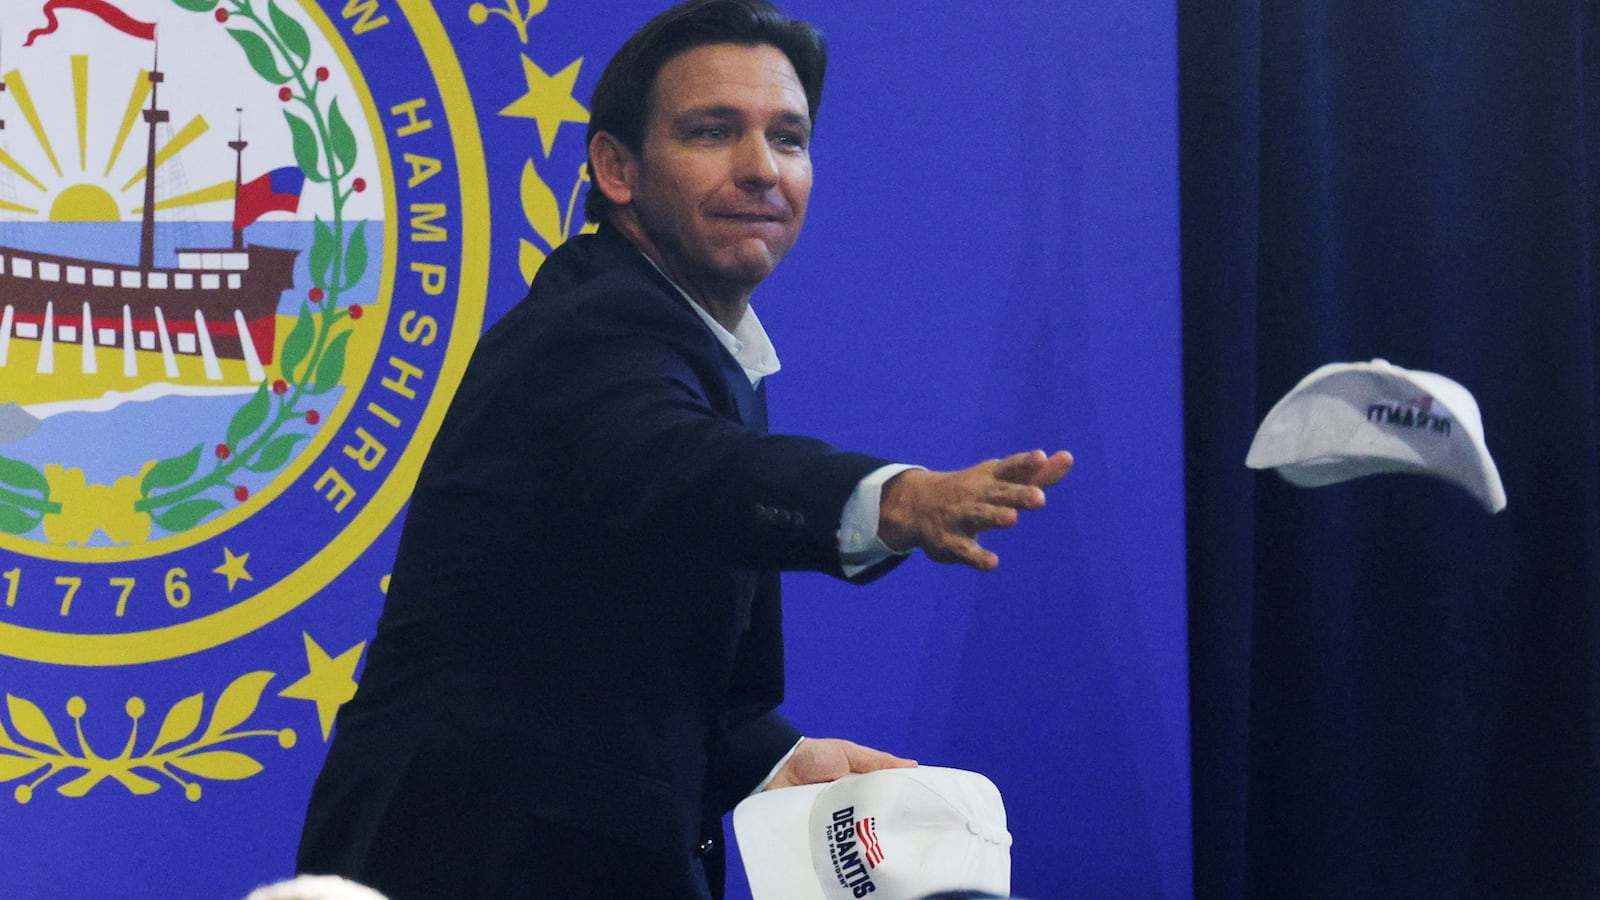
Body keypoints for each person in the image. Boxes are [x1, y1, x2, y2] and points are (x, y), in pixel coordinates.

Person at [295, 1, 1073, 897]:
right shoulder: (592, 330)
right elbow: (684, 471)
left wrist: (776, 759)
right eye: (713, 132)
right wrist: (891, 499)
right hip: (466, 859)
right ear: (616, 169)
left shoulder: (707, 348)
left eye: (789, 138)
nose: (761, 169)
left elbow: (598, 645)